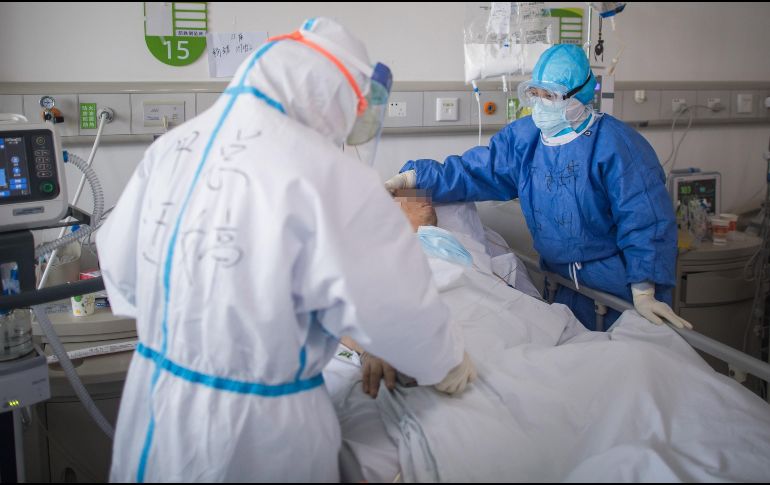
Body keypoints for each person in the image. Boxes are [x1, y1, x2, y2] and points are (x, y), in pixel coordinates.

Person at [97, 18, 475, 482]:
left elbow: (121, 274)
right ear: (330, 95)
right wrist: (447, 362)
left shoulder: (172, 148)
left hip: (154, 403)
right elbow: (399, 314)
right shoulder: (330, 175)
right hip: (256, 434)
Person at [385, 44, 692, 332]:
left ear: (581, 95)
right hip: (561, 286)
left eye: (551, 95)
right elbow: (474, 171)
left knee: (631, 363)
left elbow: (645, 218)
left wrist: (644, 289)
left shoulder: (618, 147)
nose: (541, 104)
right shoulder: (525, 139)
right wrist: (414, 178)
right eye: (535, 93)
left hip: (618, 286)